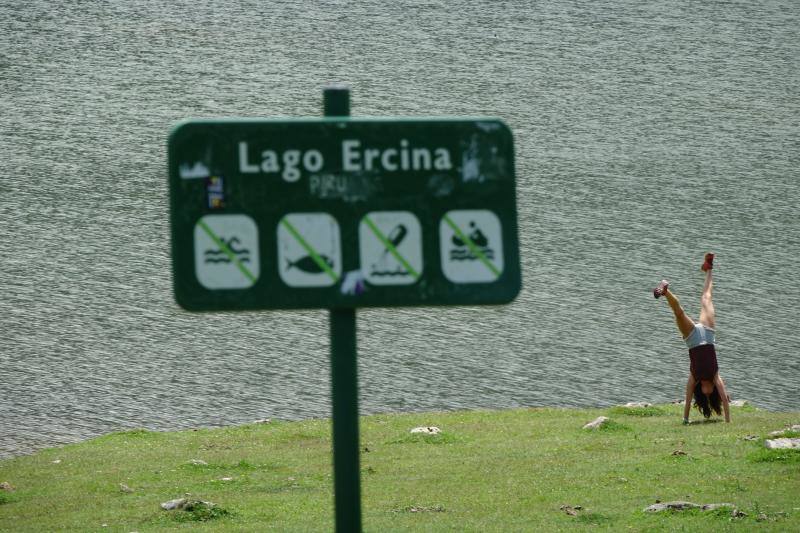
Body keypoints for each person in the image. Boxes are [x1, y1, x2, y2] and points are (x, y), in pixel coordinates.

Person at [653, 253, 730, 423]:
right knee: (706, 297)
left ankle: (665, 291)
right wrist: (728, 421)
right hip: (709, 334)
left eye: (705, 392)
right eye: (711, 392)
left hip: (693, 338)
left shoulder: (694, 377)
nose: (708, 390)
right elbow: (725, 399)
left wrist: (686, 420)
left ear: (701, 391)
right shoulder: (715, 376)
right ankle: (709, 267)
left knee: (679, 313)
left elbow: (687, 399)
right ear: (714, 391)